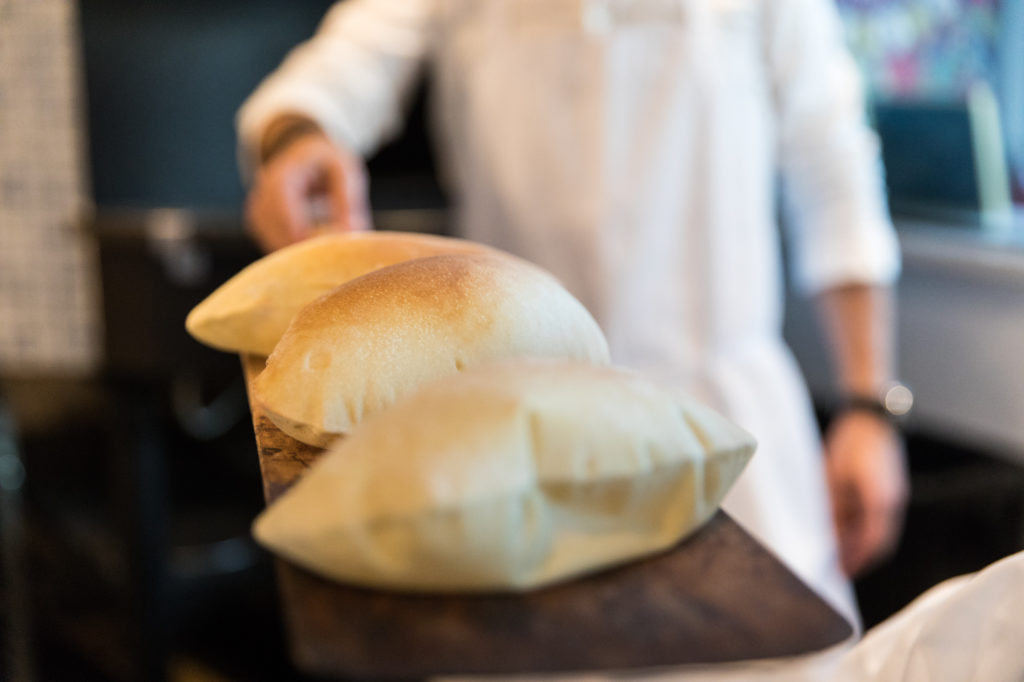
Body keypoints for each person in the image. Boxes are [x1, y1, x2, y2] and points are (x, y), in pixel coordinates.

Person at [236, 0, 908, 627]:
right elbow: (342, 69)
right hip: (508, 441)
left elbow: (833, 168)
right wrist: (298, 138)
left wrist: (867, 406)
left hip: (731, 427)